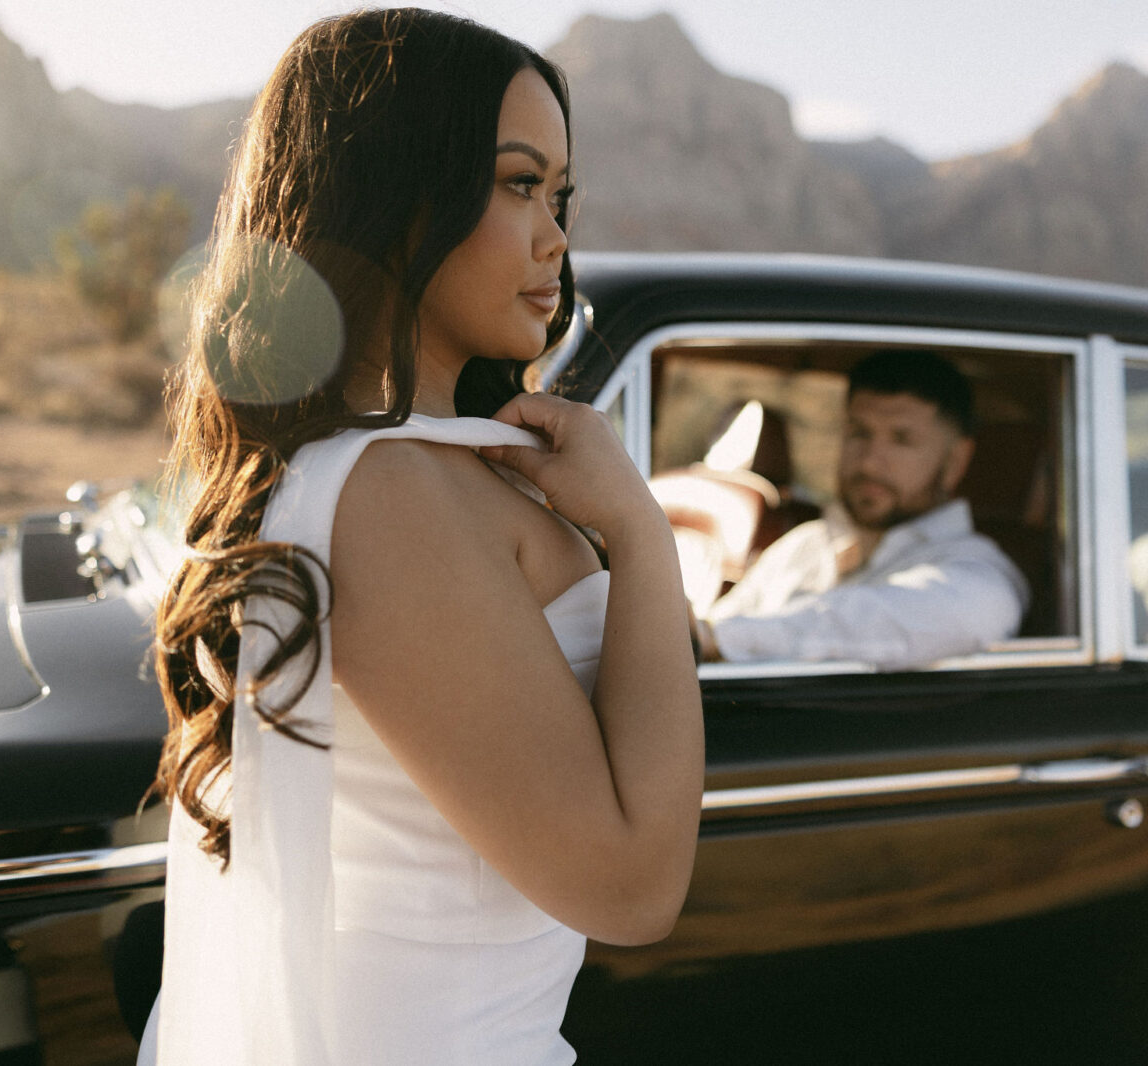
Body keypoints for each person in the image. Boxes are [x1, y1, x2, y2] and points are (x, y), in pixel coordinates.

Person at [139, 10, 704, 1064]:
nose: (556, 237)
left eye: (561, 195)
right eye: (519, 183)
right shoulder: (393, 491)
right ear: (397, 193)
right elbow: (630, 886)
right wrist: (640, 532)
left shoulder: (421, 467)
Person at [692, 350, 1028, 670]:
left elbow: (895, 620)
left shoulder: (979, 573)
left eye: (901, 439)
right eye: (859, 433)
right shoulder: (803, 546)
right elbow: (707, 636)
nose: (869, 460)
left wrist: (724, 638)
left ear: (955, 461)